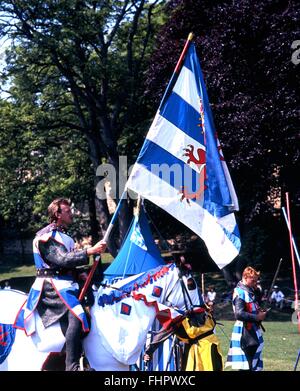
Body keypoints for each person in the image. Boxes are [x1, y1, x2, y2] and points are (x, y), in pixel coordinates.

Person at [14, 198, 106, 371]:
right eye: (68, 211)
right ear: (57, 214)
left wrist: (82, 273)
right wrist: (89, 251)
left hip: (66, 283)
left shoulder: (66, 237)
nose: (72, 214)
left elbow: (69, 263)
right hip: (51, 285)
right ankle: (72, 366)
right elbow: (61, 259)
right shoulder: (46, 236)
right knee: (77, 314)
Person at [226, 266, 266, 371]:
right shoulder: (240, 292)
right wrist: (257, 317)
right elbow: (239, 314)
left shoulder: (250, 291)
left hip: (253, 329)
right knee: (246, 366)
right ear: (245, 277)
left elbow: (254, 305)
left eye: (256, 281)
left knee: (253, 364)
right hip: (244, 332)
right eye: (253, 280)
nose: (255, 283)